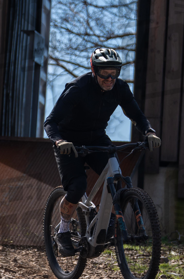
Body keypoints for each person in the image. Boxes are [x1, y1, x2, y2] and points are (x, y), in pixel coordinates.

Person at [44, 46, 161, 256]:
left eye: (115, 72)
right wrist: (60, 140)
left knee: (116, 178)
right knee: (78, 186)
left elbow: (136, 114)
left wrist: (149, 132)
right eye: (104, 72)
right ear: (94, 70)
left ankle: (101, 223)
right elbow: (50, 122)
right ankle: (63, 230)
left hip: (97, 138)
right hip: (69, 141)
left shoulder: (120, 88)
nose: (110, 78)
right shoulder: (77, 88)